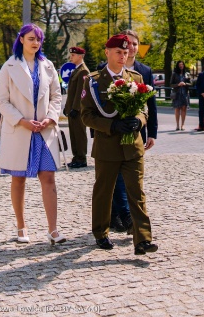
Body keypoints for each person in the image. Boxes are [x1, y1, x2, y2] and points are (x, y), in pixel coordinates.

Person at [81, 33, 158, 255]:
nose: (123, 56)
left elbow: (144, 109)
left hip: (132, 146)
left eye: (126, 52)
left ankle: (142, 239)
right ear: (107, 52)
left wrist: (140, 121)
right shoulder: (94, 81)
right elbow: (86, 116)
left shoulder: (136, 78)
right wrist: (111, 126)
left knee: (137, 192)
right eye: (118, 52)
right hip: (107, 146)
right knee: (104, 192)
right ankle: (101, 233)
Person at [0, 23, 66, 244]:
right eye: (31, 38)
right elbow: (1, 101)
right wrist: (22, 121)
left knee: (48, 177)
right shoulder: (9, 66)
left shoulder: (48, 66)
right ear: (21, 40)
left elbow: (56, 95)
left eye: (39, 39)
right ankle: (21, 226)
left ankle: (53, 230)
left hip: (44, 131)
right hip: (20, 130)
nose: (35, 43)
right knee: (18, 178)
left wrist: (51, 118)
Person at [110, 29, 158, 233]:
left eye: (135, 44)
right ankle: (124, 215)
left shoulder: (144, 72)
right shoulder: (106, 69)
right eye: (127, 44)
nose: (130, 48)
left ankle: (117, 216)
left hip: (136, 131)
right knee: (116, 176)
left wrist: (152, 132)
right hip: (113, 133)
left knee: (131, 176)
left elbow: (150, 104)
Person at [63, 46, 90, 168]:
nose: (71, 57)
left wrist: (76, 108)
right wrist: (67, 107)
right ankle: (76, 157)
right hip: (72, 109)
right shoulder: (76, 70)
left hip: (78, 110)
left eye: (73, 55)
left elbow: (81, 92)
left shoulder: (83, 71)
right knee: (73, 134)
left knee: (79, 134)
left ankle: (82, 158)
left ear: (80, 56)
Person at [170, 61, 191, 131]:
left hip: (184, 93)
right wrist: (178, 85)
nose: (181, 66)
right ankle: (177, 125)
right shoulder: (174, 74)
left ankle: (182, 125)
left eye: (182, 64)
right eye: (179, 65)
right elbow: (171, 84)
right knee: (177, 109)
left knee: (184, 108)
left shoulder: (187, 74)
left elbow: (191, 83)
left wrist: (185, 83)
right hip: (177, 93)